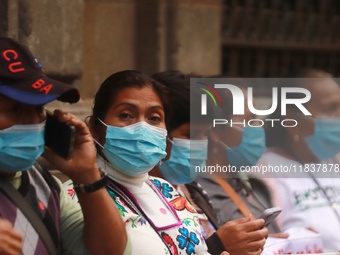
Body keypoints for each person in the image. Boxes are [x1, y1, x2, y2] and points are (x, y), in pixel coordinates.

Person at [0, 37, 128, 255]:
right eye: (16, 109)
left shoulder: (44, 185)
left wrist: (86, 176)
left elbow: (110, 251)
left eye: (39, 109)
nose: (34, 122)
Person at [88, 70, 211, 255]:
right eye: (126, 115)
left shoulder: (168, 192)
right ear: (95, 129)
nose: (142, 128)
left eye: (154, 118)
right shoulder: (80, 196)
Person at [149, 71, 268, 255]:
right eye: (190, 135)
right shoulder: (130, 198)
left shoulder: (192, 192)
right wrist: (218, 245)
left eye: (203, 135)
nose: (199, 144)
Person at [258, 69, 340, 252]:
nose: (338, 115)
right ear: (291, 119)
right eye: (330, 108)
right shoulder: (264, 170)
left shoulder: (335, 161)